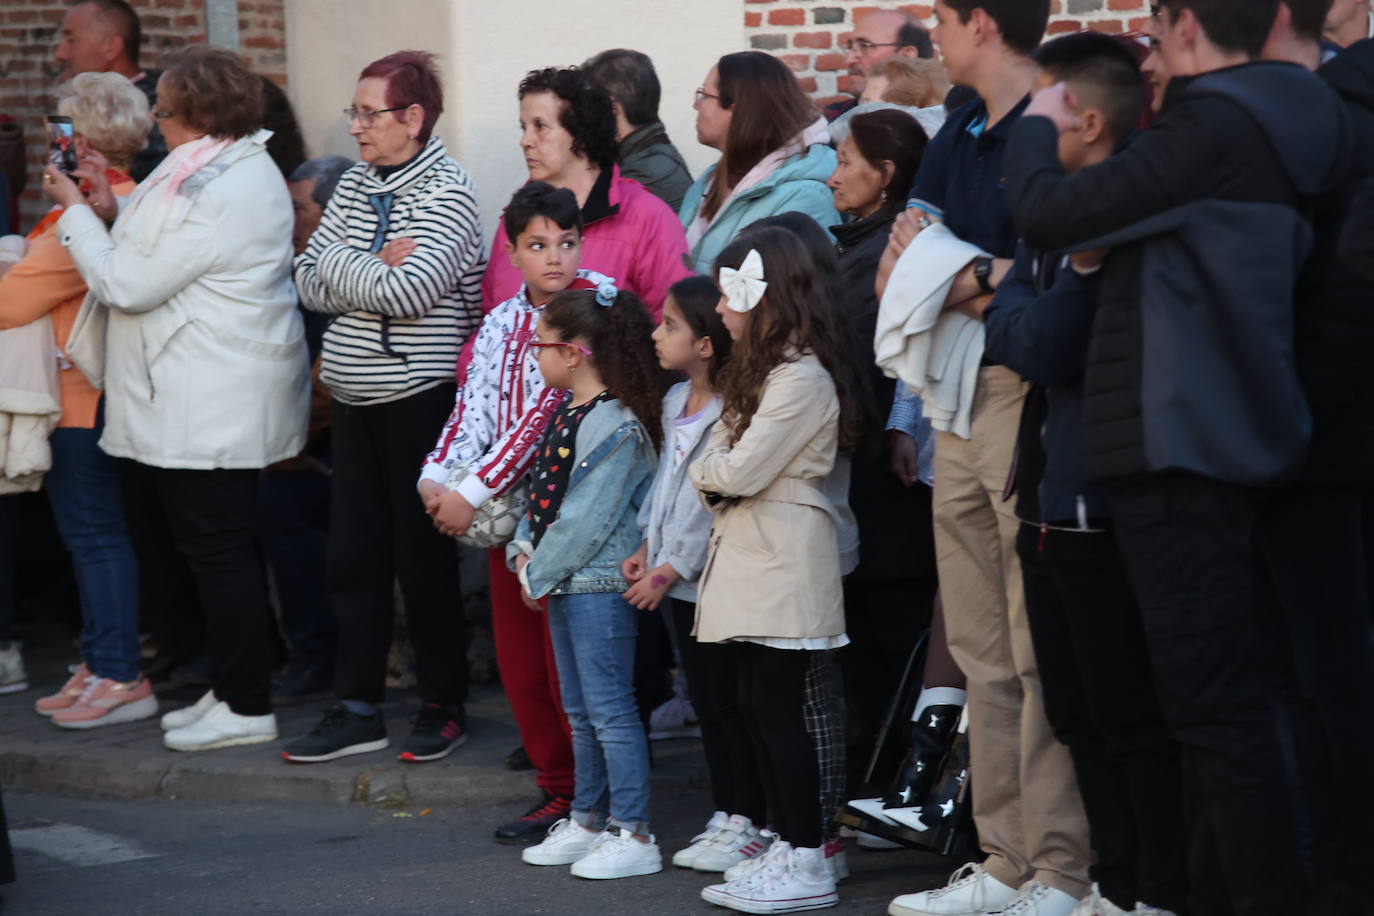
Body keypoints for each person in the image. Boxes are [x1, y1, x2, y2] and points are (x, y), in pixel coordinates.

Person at [1005, 0, 1349, 910]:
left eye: (1155, 38)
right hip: (1234, 431)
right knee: (1229, 703)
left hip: (1184, 444)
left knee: (1212, 709)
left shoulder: (1219, 125)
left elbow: (1048, 211)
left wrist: (1037, 122)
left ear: (1188, 25)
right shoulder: (1290, 121)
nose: (1149, 64)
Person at [881, 4, 1093, 916]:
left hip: (1020, 392)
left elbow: (1048, 280)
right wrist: (973, 274)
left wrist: (956, 275)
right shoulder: (960, 124)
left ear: (980, 23)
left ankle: (1061, 869)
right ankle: (1006, 860)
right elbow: (900, 267)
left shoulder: (1053, 116)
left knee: (1033, 637)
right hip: (952, 394)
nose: (933, 32)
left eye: (940, 16)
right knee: (977, 643)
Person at [44, 45, 310, 751]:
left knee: (219, 552)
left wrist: (74, 213)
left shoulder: (220, 183)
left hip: (211, 399)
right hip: (198, 391)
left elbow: (128, 284)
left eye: (161, 110)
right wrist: (109, 207)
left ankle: (247, 705)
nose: (156, 122)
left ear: (194, 112)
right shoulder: (211, 164)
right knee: (210, 550)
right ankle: (231, 686)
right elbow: (156, 243)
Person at [981, 33, 1189, 916]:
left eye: (1043, 113)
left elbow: (1044, 342)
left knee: (1127, 718)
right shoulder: (1055, 224)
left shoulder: (1114, 218)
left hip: (1099, 507)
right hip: (1043, 500)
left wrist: (1022, 300)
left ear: (1091, 122)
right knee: (1075, 715)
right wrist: (1022, 305)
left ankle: (1154, 890)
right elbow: (1014, 331)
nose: (1028, 135)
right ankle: (1113, 882)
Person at [287, 50, 485, 765]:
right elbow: (305, 277)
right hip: (353, 397)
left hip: (418, 399)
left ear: (414, 117)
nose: (357, 126)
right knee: (353, 560)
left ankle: (442, 704)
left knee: (423, 562)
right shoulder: (353, 182)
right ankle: (357, 707)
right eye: (356, 112)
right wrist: (375, 260)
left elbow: (412, 292)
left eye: (370, 114)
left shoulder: (449, 192)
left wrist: (348, 263)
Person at [417, 182, 610, 840]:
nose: (554, 257)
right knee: (522, 664)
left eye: (567, 242)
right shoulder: (501, 321)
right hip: (511, 523)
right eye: (538, 245)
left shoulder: (597, 307)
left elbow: (545, 418)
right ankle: (557, 788)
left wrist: (470, 494)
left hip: (575, 520)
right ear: (512, 251)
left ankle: (593, 799)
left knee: (571, 672)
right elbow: (471, 410)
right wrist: (436, 476)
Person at [691, 226, 858, 915]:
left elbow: (735, 469)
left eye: (728, 294)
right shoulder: (764, 375)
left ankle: (809, 857)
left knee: (782, 713)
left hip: (783, 556)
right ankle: (789, 844)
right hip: (755, 551)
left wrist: (714, 469)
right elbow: (722, 462)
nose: (719, 310)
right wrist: (719, 468)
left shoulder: (801, 378)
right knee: (759, 707)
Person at [1258, 1, 1374, 902]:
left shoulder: (1333, 122)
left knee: (1324, 678)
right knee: (1314, 678)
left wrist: (1290, 420)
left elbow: (1344, 298)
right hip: (1311, 441)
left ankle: (1339, 873)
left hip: (1319, 447)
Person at [0, 73, 149, 728]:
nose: (50, 143)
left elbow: (10, 301)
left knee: (95, 537)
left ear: (83, 140)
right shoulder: (109, 201)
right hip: (79, 394)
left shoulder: (90, 211)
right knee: (87, 536)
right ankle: (100, 660)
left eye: (60, 130)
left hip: (82, 399)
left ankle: (120, 673)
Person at [510, 286, 665, 881]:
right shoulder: (567, 412)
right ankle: (588, 820)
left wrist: (536, 570)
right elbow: (541, 498)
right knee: (580, 712)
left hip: (597, 584)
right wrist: (524, 552)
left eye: (540, 346)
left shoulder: (617, 423)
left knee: (610, 711)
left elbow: (587, 517)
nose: (534, 356)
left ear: (572, 353)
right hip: (565, 580)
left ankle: (634, 830)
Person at [620, 276, 763, 874]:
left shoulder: (734, 408)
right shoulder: (675, 400)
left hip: (710, 578)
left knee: (730, 702)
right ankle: (727, 813)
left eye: (670, 325)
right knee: (705, 699)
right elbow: (665, 487)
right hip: (673, 577)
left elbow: (713, 506)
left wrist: (671, 566)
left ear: (705, 344)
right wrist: (646, 544)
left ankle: (748, 816)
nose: (656, 333)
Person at [823, 109, 941, 801]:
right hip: (865, 472)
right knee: (869, 637)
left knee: (892, 635)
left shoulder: (888, 254)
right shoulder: (857, 245)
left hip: (885, 479)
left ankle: (894, 779)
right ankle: (875, 775)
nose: (832, 177)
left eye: (846, 163)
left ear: (886, 174)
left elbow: (876, 360)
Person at [479, 67, 690, 324]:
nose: (525, 141)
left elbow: (676, 326)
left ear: (581, 134)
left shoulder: (647, 217)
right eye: (524, 128)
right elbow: (489, 321)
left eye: (540, 127)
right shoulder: (515, 217)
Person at [257, 155, 355, 707]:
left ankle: (317, 656)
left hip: (345, 447)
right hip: (307, 441)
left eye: (297, 208)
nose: (285, 219)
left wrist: (284, 443)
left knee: (280, 501)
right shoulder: (295, 266)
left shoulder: (344, 271)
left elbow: (330, 381)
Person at [680, 52, 840, 276]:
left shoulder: (805, 198)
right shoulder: (711, 178)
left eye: (704, 96)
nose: (696, 105)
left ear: (735, 110)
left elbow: (786, 291)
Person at [54, 0, 165, 181]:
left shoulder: (162, 107)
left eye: (72, 40)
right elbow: (61, 179)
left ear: (111, 47)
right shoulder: (71, 102)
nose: (60, 53)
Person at [581, 49, 694, 213]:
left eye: (588, 105)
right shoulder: (648, 154)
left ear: (611, 107)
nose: (583, 117)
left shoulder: (644, 173)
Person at [829, 9, 936, 120]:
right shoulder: (832, 119)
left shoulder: (942, 122)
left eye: (864, 45)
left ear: (906, 56)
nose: (849, 60)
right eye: (850, 47)